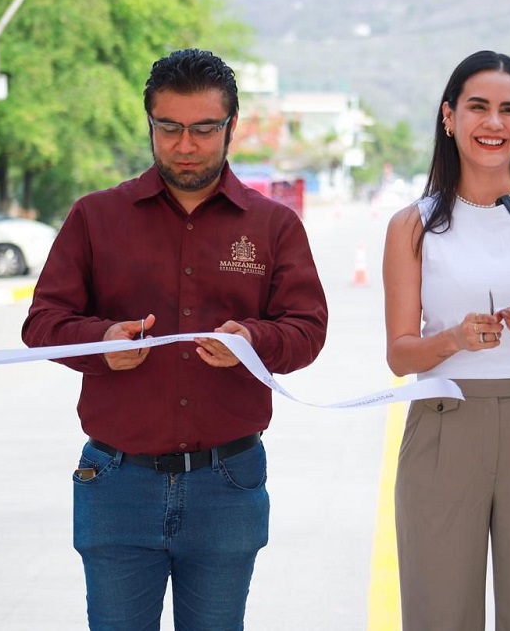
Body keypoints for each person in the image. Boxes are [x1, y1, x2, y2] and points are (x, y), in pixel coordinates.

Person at [21, 48, 329, 630]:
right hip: (116, 483)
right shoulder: (95, 217)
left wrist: (252, 341)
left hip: (227, 482)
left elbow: (308, 330)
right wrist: (101, 342)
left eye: (204, 129)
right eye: (169, 128)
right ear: (150, 125)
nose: (186, 145)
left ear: (231, 127)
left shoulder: (273, 225)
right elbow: (42, 324)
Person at [382, 50, 510, 630]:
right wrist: (453, 339)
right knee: (437, 613)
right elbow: (400, 354)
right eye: (478, 107)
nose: (493, 123)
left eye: (509, 109)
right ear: (449, 117)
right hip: (444, 425)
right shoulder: (412, 225)